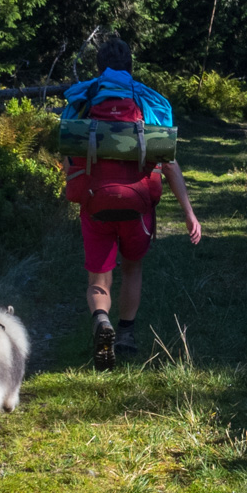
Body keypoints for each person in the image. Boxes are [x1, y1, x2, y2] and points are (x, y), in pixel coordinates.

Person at [60, 35, 201, 369]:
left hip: (96, 203)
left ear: (98, 67)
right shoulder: (149, 100)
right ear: (130, 66)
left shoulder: (82, 98)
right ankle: (125, 334)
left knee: (98, 278)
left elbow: (68, 159)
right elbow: (168, 162)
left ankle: (101, 320)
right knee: (133, 267)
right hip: (138, 205)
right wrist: (188, 213)